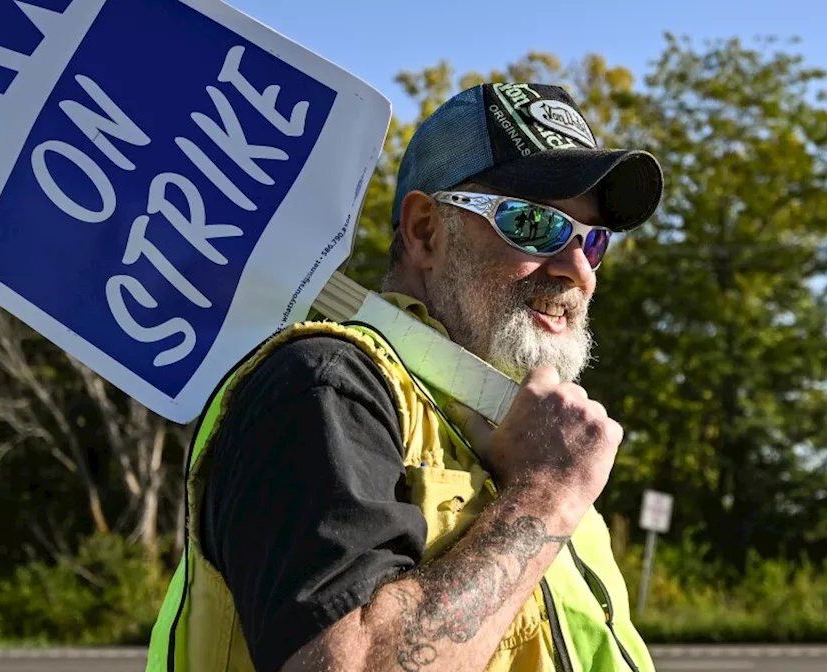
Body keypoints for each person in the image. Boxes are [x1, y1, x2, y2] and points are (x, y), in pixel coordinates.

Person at [146, 82, 665, 672]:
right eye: (532, 223)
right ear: (424, 231)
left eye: (592, 241)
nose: (578, 270)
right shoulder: (326, 385)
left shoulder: (540, 440)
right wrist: (546, 497)